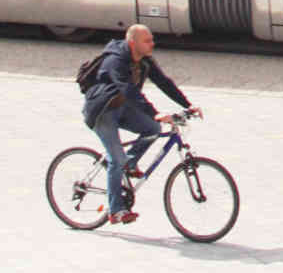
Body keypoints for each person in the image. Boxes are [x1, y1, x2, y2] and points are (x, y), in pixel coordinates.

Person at [82, 22, 197, 225]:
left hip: (122, 107)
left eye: (152, 39)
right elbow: (128, 90)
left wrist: (188, 105)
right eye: (147, 41)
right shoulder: (115, 61)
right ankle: (116, 211)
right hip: (102, 112)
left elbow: (164, 82)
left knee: (152, 129)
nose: (153, 44)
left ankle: (130, 163)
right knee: (116, 160)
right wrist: (155, 112)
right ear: (132, 42)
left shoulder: (144, 60)